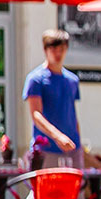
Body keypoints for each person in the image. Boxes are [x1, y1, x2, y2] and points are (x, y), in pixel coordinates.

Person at [23, 27, 81, 169]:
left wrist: (80, 145)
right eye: (54, 49)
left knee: (75, 190)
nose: (58, 53)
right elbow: (36, 115)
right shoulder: (36, 79)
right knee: (48, 191)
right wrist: (58, 136)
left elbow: (72, 115)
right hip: (46, 151)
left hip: (73, 149)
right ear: (45, 50)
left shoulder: (72, 80)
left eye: (62, 49)